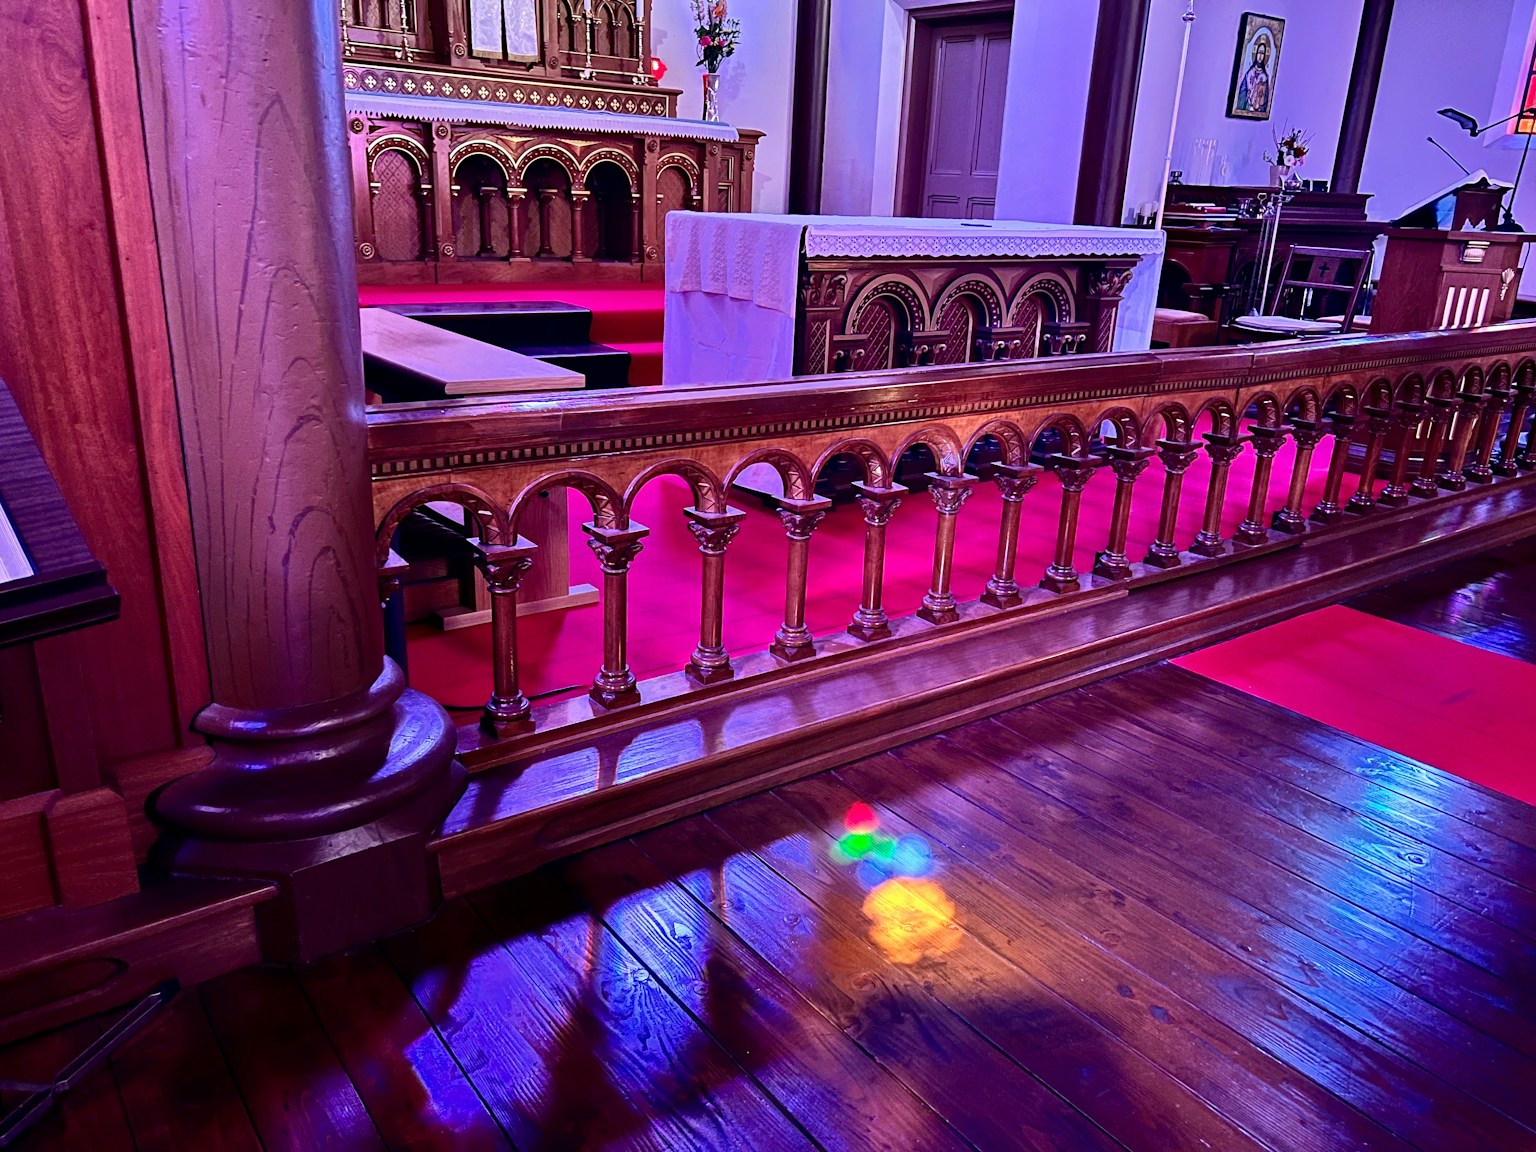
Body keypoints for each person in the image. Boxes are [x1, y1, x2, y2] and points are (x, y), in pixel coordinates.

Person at [1236, 33, 1272, 116]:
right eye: (1259, 52)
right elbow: (1242, 93)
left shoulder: (1265, 77)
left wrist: (1259, 107)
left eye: (1262, 53)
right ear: (1255, 53)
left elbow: (1265, 99)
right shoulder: (1249, 73)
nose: (1260, 56)